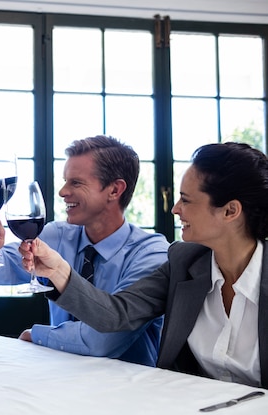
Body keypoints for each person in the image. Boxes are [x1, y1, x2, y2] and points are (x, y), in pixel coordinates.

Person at [22, 141, 268, 388]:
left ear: (230, 211)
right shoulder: (184, 262)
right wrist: (58, 270)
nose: (175, 209)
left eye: (186, 200)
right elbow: (117, 315)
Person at [0, 135, 170, 367]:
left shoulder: (151, 254)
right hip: (61, 378)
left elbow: (104, 340)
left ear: (115, 190)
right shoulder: (58, 235)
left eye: (75, 183)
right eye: (65, 181)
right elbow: (0, 266)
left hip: (130, 390)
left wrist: (38, 335)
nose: (62, 192)